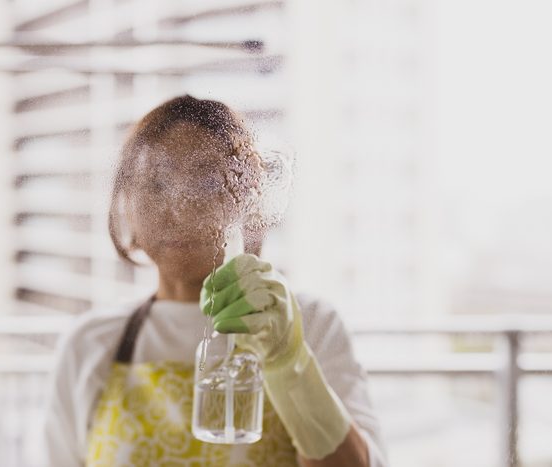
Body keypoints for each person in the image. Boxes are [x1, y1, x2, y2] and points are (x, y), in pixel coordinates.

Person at [40, 95, 388, 466]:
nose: (180, 206)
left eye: (207, 181)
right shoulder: (90, 344)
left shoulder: (312, 324)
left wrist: (290, 362)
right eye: (156, 184)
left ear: (248, 197)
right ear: (127, 204)